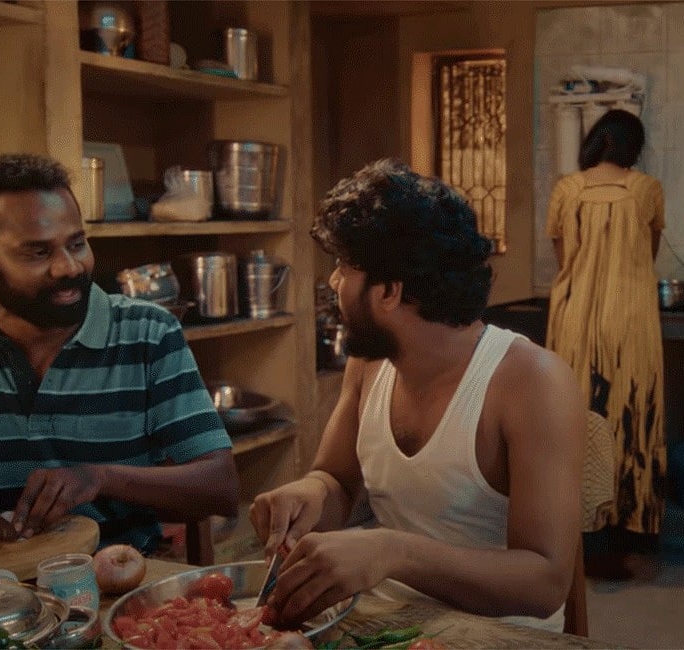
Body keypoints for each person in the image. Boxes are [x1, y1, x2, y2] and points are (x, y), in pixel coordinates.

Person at [249, 159, 585, 632]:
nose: (334, 283)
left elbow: (545, 583)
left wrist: (394, 551)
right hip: (386, 621)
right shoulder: (370, 364)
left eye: (343, 267)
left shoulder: (532, 381)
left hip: (498, 635)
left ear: (389, 291)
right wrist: (309, 494)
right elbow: (336, 481)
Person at [0, 153, 239, 554]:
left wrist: (100, 479)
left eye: (77, 244)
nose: (70, 268)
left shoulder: (147, 333)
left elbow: (220, 489)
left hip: (108, 579)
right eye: (38, 253)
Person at [544, 108, 666, 579]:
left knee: (577, 419)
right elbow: (648, 255)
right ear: (634, 147)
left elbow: (563, 258)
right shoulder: (647, 189)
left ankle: (579, 536)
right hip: (631, 322)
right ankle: (630, 535)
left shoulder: (567, 189)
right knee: (631, 420)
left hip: (574, 321)